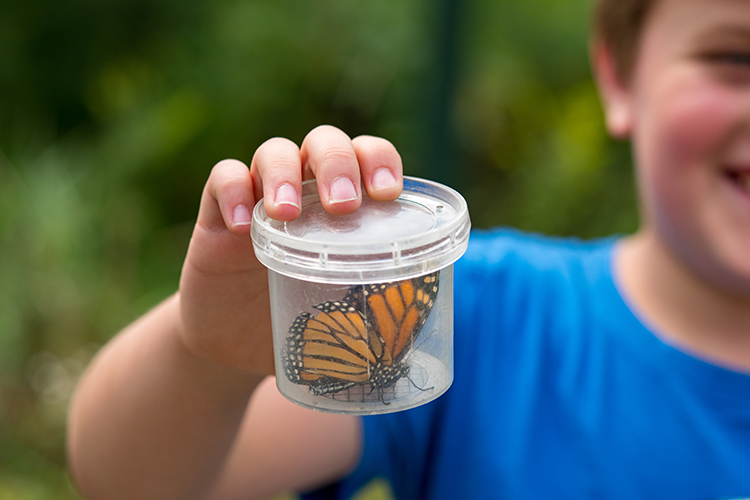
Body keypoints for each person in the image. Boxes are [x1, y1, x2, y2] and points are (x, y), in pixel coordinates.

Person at [66, 0, 750, 498]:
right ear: (620, 76)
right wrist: (206, 357)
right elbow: (128, 480)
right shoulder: (479, 312)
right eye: (733, 58)